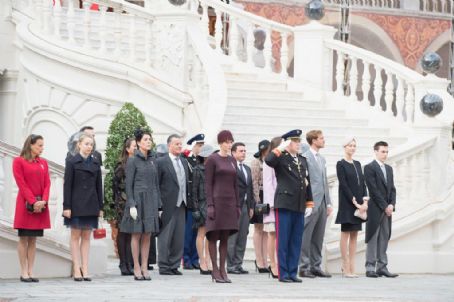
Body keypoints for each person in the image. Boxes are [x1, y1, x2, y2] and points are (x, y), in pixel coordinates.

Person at [265, 129, 314, 283]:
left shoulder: (302, 160)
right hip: (285, 203)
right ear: (287, 142)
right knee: (284, 240)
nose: (298, 144)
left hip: (299, 204)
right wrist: (280, 147)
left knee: (296, 240)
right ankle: (283, 273)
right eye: (295, 141)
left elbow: (307, 183)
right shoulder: (281, 158)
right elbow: (269, 160)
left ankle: (293, 272)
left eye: (299, 141)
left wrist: (309, 203)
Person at [120, 129, 160, 281]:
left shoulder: (152, 159)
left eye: (150, 139)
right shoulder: (132, 160)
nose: (148, 142)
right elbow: (128, 185)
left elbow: (156, 184)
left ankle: (145, 266)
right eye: (145, 140)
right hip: (137, 200)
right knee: (136, 234)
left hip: (151, 200)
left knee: (148, 234)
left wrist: (159, 205)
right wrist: (131, 204)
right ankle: (136, 266)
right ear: (138, 142)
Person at [63, 134, 103, 281]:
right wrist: (66, 206)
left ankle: (85, 268)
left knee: (86, 237)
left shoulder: (96, 162)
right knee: (75, 237)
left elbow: (99, 186)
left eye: (91, 145)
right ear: (79, 145)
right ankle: (76, 269)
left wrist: (100, 206)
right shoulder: (72, 161)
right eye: (86, 144)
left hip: (92, 204)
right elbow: (67, 185)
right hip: (76, 204)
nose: (89, 147)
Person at [12, 134, 51, 282]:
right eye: (39, 145)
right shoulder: (18, 161)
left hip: (40, 206)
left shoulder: (43, 163)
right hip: (25, 206)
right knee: (23, 238)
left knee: (33, 239)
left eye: (42, 145)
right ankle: (23, 272)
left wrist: (44, 200)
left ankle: (31, 271)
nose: (42, 148)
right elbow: (21, 184)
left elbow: (47, 183)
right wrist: (33, 201)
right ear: (31, 145)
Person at [205, 130, 240, 283]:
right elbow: (207, 184)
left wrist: (238, 204)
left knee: (225, 238)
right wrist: (210, 205)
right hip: (217, 202)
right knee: (213, 236)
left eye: (230, 142)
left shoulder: (233, 160)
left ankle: (223, 269)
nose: (229, 144)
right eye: (226, 142)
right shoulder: (212, 159)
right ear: (220, 143)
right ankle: (214, 269)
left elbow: (236, 184)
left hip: (230, 203)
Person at [299, 130, 333, 278]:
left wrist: (329, 202)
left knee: (318, 236)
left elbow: (324, 181)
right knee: (306, 236)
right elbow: (305, 182)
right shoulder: (305, 158)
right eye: (321, 138)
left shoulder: (322, 159)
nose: (324, 140)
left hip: (323, 203)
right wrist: (308, 202)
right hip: (311, 202)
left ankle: (315, 265)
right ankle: (304, 266)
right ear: (313, 140)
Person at [335, 137, 369, 278]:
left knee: (355, 234)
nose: (352, 148)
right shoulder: (340, 164)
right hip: (347, 203)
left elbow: (363, 184)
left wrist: (365, 202)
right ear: (345, 147)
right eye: (350, 145)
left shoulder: (357, 163)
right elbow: (344, 185)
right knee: (345, 233)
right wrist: (354, 202)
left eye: (354, 145)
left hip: (360, 205)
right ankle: (345, 265)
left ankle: (352, 267)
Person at [156, 134, 190, 276]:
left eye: (180, 144)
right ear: (169, 145)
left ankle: (174, 264)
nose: (179, 146)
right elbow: (156, 185)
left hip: (182, 204)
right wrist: (159, 207)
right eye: (176, 144)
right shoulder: (161, 161)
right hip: (167, 205)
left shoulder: (183, 161)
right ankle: (164, 266)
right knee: (165, 236)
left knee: (178, 236)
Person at [364, 141, 398, 278]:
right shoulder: (369, 168)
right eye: (383, 151)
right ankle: (370, 267)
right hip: (375, 209)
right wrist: (385, 206)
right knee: (373, 237)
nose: (385, 154)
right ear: (376, 151)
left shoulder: (389, 169)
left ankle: (382, 267)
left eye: (386, 152)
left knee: (384, 237)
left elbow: (393, 189)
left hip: (387, 210)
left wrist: (391, 205)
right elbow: (373, 190)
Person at [227, 142, 254, 275]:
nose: (243, 153)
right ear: (233, 153)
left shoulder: (247, 169)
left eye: (244, 151)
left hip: (245, 206)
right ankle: (230, 265)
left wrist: (251, 206)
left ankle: (238, 264)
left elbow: (250, 188)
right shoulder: (229, 167)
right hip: (233, 207)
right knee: (232, 236)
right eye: (240, 151)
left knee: (243, 236)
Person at [113, 137, 136, 276]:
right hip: (122, 203)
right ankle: (123, 263)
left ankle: (130, 262)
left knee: (132, 233)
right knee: (123, 233)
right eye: (133, 146)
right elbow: (115, 186)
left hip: (134, 202)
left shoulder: (138, 162)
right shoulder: (121, 165)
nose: (136, 148)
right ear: (127, 149)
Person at [192, 144, 216, 274]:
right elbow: (194, 190)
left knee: (210, 234)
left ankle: (209, 260)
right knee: (201, 233)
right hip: (202, 204)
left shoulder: (215, 169)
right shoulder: (197, 169)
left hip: (213, 203)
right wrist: (195, 208)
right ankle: (202, 261)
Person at [183, 133, 205, 270]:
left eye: (202, 145)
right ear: (193, 146)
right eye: (199, 145)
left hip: (200, 201)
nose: (201, 148)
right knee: (188, 233)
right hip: (190, 201)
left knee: (198, 232)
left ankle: (195, 258)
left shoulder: (201, 161)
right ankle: (186, 259)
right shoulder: (186, 160)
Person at [250, 139, 270, 273]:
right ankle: (259, 260)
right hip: (260, 196)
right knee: (258, 228)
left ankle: (265, 259)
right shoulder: (256, 162)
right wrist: (256, 201)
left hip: (270, 197)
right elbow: (254, 183)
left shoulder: (272, 162)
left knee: (267, 229)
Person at [262, 137, 282, 278]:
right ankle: (272, 264)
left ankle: (279, 263)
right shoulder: (269, 161)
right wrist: (271, 203)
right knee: (272, 234)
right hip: (272, 204)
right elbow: (268, 183)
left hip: (282, 202)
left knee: (279, 235)